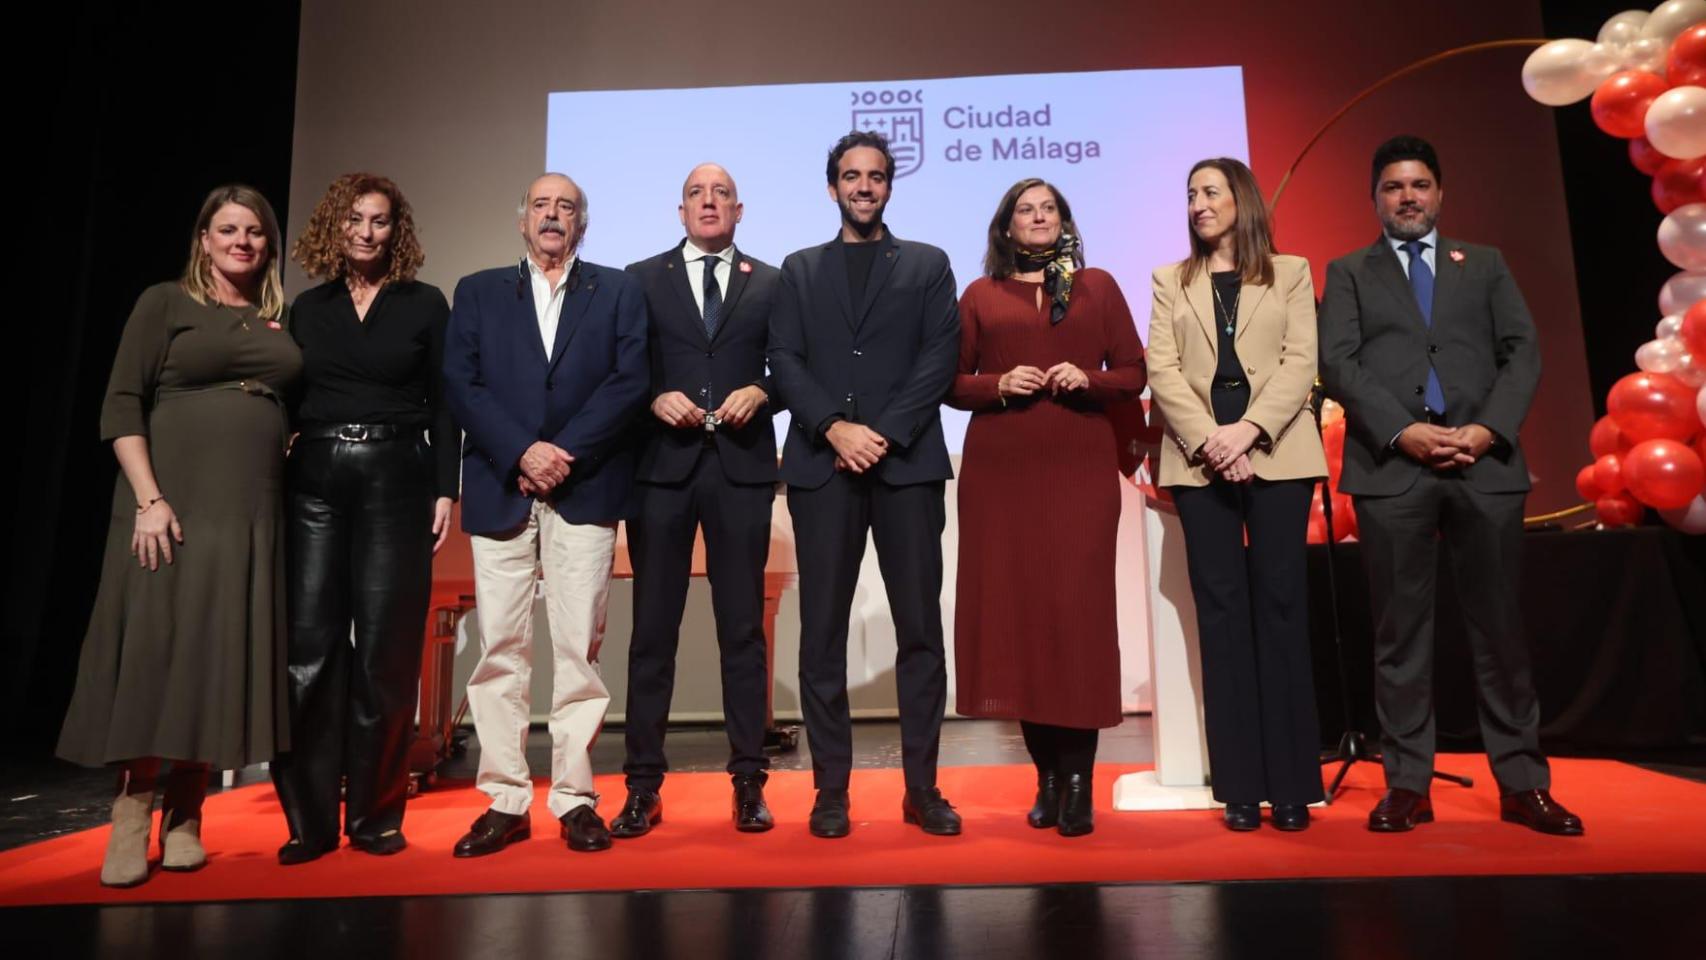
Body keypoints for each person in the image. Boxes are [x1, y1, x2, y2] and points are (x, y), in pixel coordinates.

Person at [1318, 135, 1581, 836]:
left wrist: (1489, 429)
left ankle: (1523, 785)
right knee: (1400, 636)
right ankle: (1407, 785)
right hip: (1393, 469)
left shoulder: (1485, 266)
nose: (1407, 197)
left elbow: (1523, 350)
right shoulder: (1348, 272)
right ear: (1374, 198)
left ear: (1440, 193)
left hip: (1483, 466)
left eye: (1419, 185)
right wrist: (1402, 430)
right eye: (1393, 187)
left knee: (1500, 632)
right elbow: (1338, 363)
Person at [57, 185, 302, 886]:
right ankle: (132, 814)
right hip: (173, 502)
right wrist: (150, 499)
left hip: (252, 508)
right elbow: (122, 401)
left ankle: (188, 815)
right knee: (159, 648)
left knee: (220, 647)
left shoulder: (276, 317)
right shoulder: (163, 302)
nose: (242, 242)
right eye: (227, 229)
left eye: (254, 231)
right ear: (203, 237)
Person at [442, 173, 649, 856]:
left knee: (577, 649)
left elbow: (629, 381)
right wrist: (523, 451)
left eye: (566, 207)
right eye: (541, 205)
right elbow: (461, 384)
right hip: (503, 483)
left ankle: (574, 798)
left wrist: (562, 452)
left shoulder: (616, 290)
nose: (553, 216)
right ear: (521, 220)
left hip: (584, 485)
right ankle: (504, 798)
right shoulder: (477, 291)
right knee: (500, 647)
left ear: (581, 223)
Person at [767, 131, 961, 838]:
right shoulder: (799, 268)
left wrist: (881, 431)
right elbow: (784, 358)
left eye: (876, 176)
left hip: (906, 467)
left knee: (919, 633)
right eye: (851, 176)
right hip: (824, 468)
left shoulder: (928, 264)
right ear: (832, 187)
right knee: (820, 636)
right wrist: (834, 428)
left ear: (889, 186)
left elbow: (941, 356)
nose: (864, 187)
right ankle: (830, 793)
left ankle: (923, 789)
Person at [269, 173, 459, 864]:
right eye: (354, 219)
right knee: (309, 655)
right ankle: (310, 820)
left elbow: (445, 404)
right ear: (334, 225)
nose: (366, 232)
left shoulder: (424, 303)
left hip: (398, 477)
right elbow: (286, 402)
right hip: (315, 479)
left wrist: (446, 489)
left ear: (396, 231)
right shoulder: (307, 308)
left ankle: (376, 815)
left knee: (386, 652)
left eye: (380, 221)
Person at [948, 178, 1146, 837]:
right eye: (1025, 210)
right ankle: (1049, 778)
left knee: (1076, 621)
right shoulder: (979, 296)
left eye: (1049, 208)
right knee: (1022, 622)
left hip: (1080, 469)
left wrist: (1085, 377)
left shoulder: (1098, 286)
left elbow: (1133, 373)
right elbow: (950, 382)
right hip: (1001, 476)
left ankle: (1082, 782)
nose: (1038, 217)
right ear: (1007, 227)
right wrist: (998, 382)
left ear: (1063, 221)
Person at [1146, 158, 1327, 831]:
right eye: (1190, 193)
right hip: (1199, 463)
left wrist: (1249, 431)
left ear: (1241, 200)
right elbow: (1161, 367)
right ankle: (1240, 787)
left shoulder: (1291, 270)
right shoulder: (1172, 280)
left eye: (1210, 191)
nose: (1197, 203)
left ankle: (1292, 785)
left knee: (1281, 608)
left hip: (1278, 453)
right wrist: (1211, 440)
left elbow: (1300, 360)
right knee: (1221, 617)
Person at [614, 163, 782, 838]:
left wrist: (765, 390)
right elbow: (620, 365)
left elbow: (794, 363)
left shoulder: (771, 281)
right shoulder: (638, 278)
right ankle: (642, 787)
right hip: (660, 469)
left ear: (739, 211)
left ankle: (748, 782)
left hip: (740, 469)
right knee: (653, 633)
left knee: (742, 631)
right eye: (696, 194)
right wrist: (652, 394)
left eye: (720, 194)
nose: (708, 202)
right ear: (679, 210)